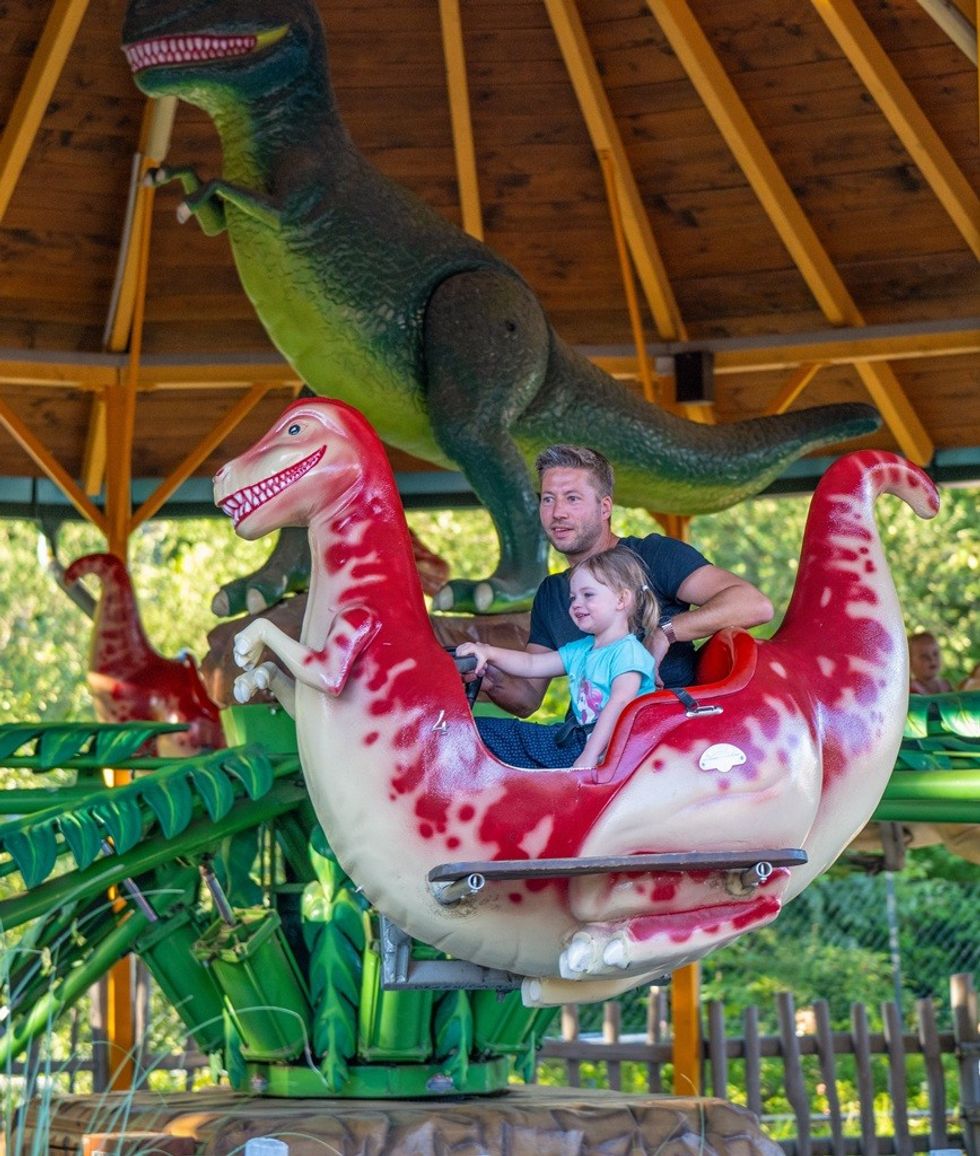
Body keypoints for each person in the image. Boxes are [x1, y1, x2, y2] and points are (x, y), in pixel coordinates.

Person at [475, 444, 774, 718]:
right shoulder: (552, 593)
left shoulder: (654, 555)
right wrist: (488, 679)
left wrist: (664, 633)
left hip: (664, 736)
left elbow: (753, 604)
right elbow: (527, 698)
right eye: (548, 499)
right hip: (588, 741)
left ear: (605, 508)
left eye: (573, 499)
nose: (557, 513)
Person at [458, 545, 658, 768]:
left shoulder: (627, 653)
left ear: (622, 600)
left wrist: (590, 756)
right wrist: (488, 652)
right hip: (582, 740)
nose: (576, 604)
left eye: (588, 595)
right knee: (478, 731)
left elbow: (619, 703)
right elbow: (532, 664)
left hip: (615, 752)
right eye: (573, 598)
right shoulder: (583, 649)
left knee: (482, 735)